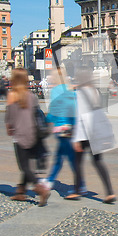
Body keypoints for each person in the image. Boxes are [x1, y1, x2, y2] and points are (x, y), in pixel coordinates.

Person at [5, 68, 50, 206]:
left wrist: (9, 128)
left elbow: (10, 118)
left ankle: (40, 189)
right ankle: (20, 192)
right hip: (33, 134)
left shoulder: (12, 95)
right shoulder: (31, 95)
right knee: (27, 165)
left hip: (20, 134)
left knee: (24, 167)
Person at [72, 69, 116, 204]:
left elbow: (79, 116)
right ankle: (109, 192)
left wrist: (76, 139)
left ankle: (76, 191)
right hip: (96, 131)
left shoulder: (79, 94)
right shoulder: (95, 91)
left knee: (77, 162)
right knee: (98, 161)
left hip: (85, 133)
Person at [42, 67, 86, 199]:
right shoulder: (71, 89)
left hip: (61, 128)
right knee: (61, 156)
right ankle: (50, 180)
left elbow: (55, 108)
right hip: (70, 127)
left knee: (68, 158)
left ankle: (79, 186)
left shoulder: (56, 90)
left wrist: (48, 120)